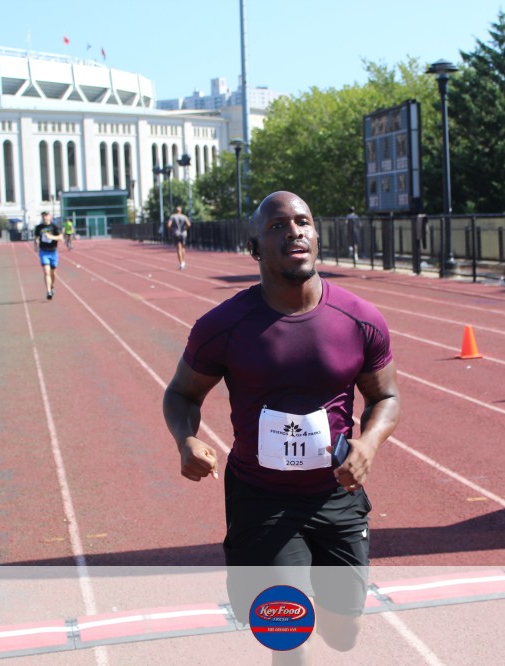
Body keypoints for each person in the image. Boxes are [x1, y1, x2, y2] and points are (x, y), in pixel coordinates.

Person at [162, 191, 400, 662]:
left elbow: (385, 397)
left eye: (303, 222)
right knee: (286, 634)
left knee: (343, 633)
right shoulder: (224, 325)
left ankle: (328, 607)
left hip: (335, 494)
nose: (294, 231)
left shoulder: (360, 319)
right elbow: (181, 394)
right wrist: (186, 439)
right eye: (277, 226)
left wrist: (369, 443)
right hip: (262, 497)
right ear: (254, 248)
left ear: (316, 237)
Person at [33, 211, 63, 300]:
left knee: (53, 273)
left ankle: (52, 286)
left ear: (50, 217)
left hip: (53, 252)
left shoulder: (54, 227)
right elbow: (36, 238)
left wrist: (51, 237)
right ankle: (48, 291)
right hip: (43, 252)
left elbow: (61, 238)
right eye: (43, 216)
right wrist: (36, 245)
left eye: (46, 216)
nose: (45, 217)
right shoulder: (39, 227)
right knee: (46, 272)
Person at [167, 206, 191, 270]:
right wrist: (185, 228)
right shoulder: (184, 216)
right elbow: (189, 224)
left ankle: (181, 263)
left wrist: (172, 230)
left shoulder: (173, 216)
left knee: (178, 248)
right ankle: (183, 261)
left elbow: (169, 225)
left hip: (176, 233)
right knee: (183, 247)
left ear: (176, 210)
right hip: (183, 233)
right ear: (181, 210)